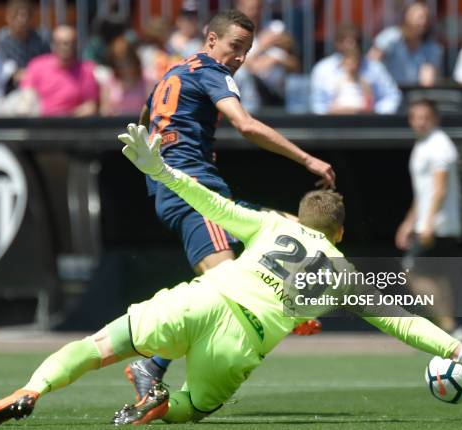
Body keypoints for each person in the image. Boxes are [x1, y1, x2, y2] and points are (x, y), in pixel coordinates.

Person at [0, 124, 462, 426]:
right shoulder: (339, 268)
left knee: (97, 346)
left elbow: (209, 201)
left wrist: (161, 169)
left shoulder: (267, 224)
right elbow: (401, 322)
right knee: (198, 407)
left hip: (205, 299)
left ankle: (30, 389)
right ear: (337, 234)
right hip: (241, 343)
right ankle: (162, 405)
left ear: (298, 216)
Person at [130, 9, 334, 402]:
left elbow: (144, 116)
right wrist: (308, 160)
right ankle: (152, 362)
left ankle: (289, 305)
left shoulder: (172, 74)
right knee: (224, 293)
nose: (240, 58)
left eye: (247, 51)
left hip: (198, 191)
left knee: (293, 228)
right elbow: (246, 125)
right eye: (235, 47)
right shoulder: (211, 71)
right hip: (194, 190)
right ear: (211, 41)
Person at [395, 98, 462, 335]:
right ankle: (450, 328)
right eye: (416, 117)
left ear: (435, 119)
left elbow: (440, 189)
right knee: (437, 276)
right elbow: (423, 193)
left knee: (410, 271)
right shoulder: (422, 145)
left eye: (425, 117)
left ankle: (447, 327)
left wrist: (428, 224)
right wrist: (408, 222)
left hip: (439, 225)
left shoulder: (440, 145)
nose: (420, 122)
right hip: (430, 223)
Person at [311, 23, 401, 115]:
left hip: (368, 124)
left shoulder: (375, 68)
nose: (351, 45)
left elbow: (391, 96)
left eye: (355, 41)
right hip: (332, 124)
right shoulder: (322, 69)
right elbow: (318, 104)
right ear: (337, 43)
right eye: (347, 41)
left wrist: (376, 113)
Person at [233, 0, 301, 110]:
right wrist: (261, 47)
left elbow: (296, 66)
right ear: (239, 9)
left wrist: (276, 59)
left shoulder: (275, 29)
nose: (254, 13)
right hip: (248, 101)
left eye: (257, 8)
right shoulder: (233, 36)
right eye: (249, 8)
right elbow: (236, 66)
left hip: (277, 97)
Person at [20, 25, 98, 116]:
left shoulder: (86, 69)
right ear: (53, 45)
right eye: (61, 43)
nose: (66, 47)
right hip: (40, 124)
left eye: (71, 43)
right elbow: (26, 97)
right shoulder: (37, 66)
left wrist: (68, 119)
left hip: (72, 125)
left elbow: (91, 105)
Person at [368, 0, 442, 87]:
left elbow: (427, 81)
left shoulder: (431, 47)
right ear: (406, 17)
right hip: (387, 92)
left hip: (415, 94)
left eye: (426, 17)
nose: (423, 21)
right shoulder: (390, 37)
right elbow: (370, 64)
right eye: (420, 17)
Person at [0, 0, 49, 82]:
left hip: (39, 80)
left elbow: (48, 61)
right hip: (10, 83)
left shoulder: (42, 37)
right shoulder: (0, 39)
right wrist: (15, 73)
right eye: (16, 15)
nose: (22, 20)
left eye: (25, 16)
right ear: (8, 17)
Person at [322, 47, 374, 114]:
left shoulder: (365, 83)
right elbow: (332, 107)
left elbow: (369, 106)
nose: (352, 66)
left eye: (355, 63)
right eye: (349, 63)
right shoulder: (337, 83)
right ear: (344, 63)